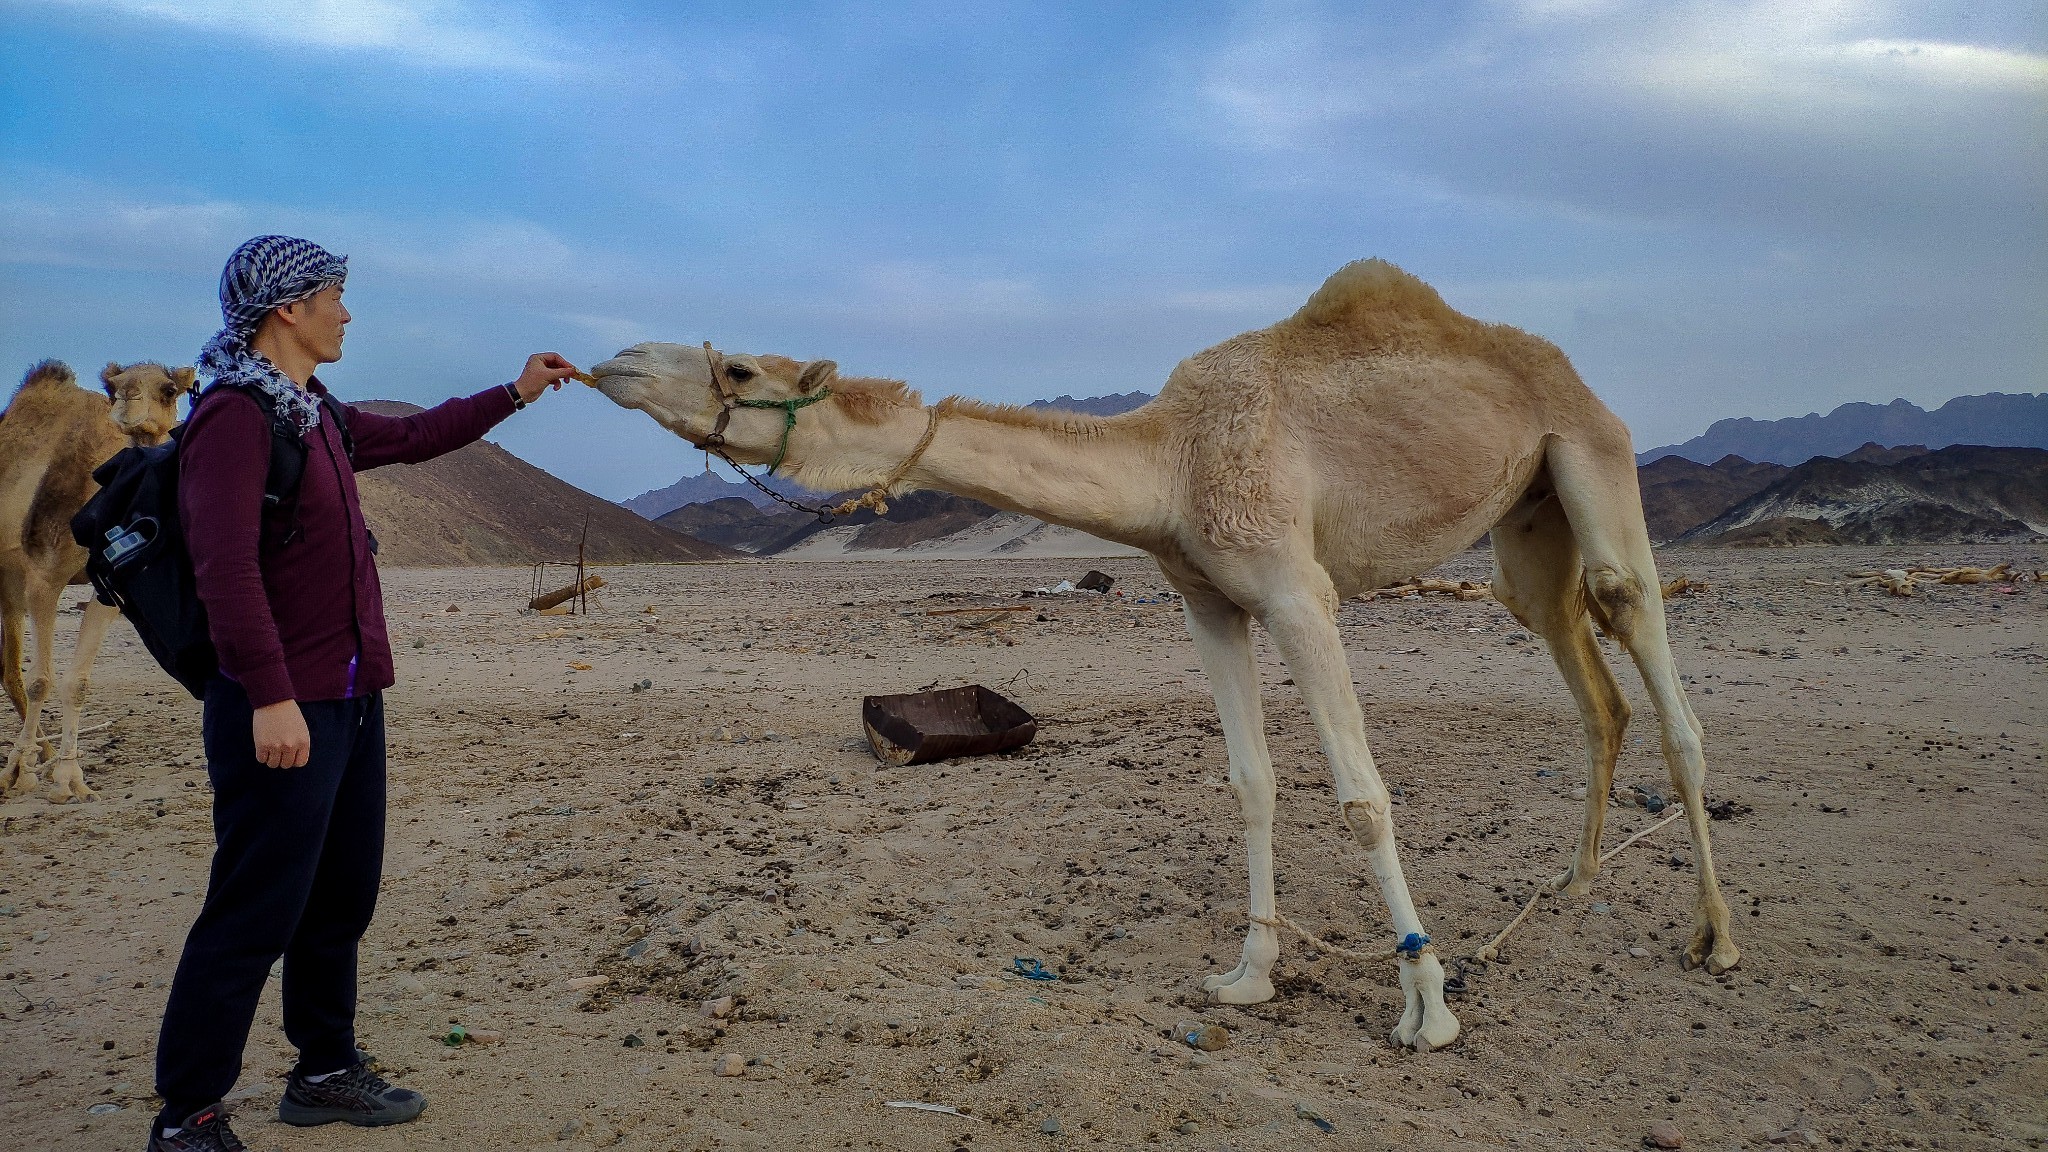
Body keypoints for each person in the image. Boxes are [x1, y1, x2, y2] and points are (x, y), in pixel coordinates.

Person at [148, 235, 578, 1152]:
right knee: (252, 906)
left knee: (339, 896)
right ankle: (186, 1117)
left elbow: (419, 436)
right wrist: (268, 696)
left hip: (346, 698)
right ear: (287, 311)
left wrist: (515, 390)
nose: (348, 313)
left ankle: (324, 1071)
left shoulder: (314, 411)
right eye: (336, 296)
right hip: (278, 705)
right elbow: (226, 569)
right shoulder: (233, 417)